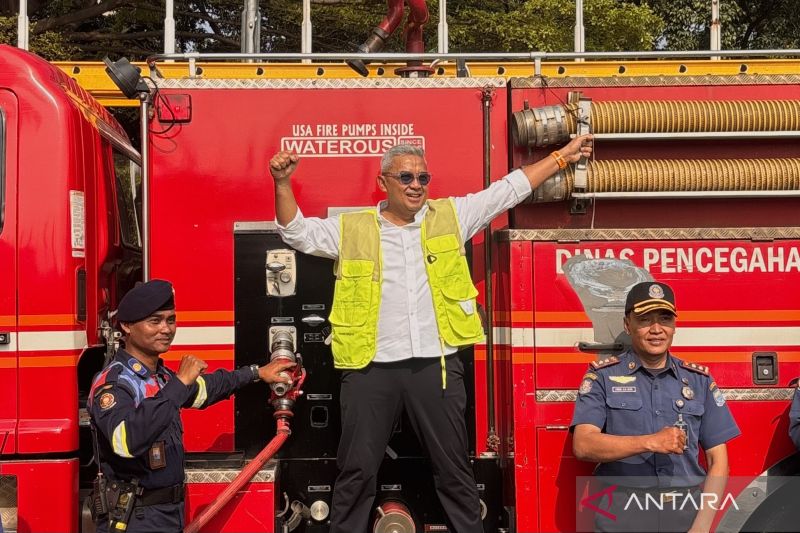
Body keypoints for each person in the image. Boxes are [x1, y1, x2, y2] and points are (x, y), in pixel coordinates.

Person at [269, 135, 593, 532]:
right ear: (383, 181)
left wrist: (561, 157)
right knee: (356, 474)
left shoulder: (453, 216)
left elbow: (509, 190)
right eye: (405, 175)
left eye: (423, 176)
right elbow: (295, 232)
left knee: (455, 471)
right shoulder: (351, 228)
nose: (416, 184)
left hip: (435, 368)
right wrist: (282, 183)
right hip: (370, 370)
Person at [88, 279, 295, 533]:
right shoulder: (115, 383)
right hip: (134, 518)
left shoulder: (160, 378)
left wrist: (256, 373)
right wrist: (179, 383)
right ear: (127, 326)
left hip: (167, 513)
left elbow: (206, 389)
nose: (166, 329)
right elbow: (127, 440)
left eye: (171, 320)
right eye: (155, 321)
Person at [571, 281, 741, 532]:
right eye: (645, 320)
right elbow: (583, 445)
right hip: (622, 513)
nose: (656, 329)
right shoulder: (602, 377)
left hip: (684, 513)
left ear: (674, 326)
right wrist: (650, 442)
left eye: (664, 319)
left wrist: (702, 526)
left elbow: (719, 460)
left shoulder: (698, 380)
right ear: (628, 325)